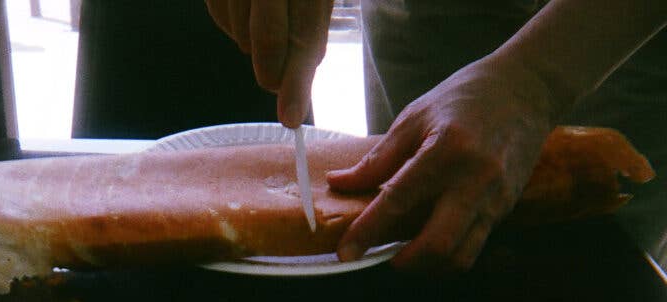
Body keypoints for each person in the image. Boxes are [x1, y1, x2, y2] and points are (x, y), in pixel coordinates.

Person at [205, 0, 667, 269]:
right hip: (423, 16)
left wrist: (536, 79)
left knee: (579, 280)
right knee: (416, 236)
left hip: (605, 33)